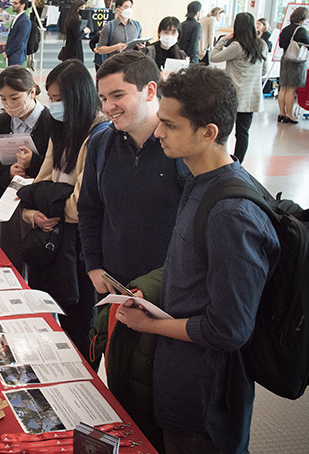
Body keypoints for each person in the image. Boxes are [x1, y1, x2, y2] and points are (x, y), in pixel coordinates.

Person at [118, 64, 279, 454]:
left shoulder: (231, 212)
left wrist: (150, 325)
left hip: (205, 399)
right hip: (179, 378)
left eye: (170, 126)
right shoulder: (197, 180)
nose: (158, 133)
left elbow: (228, 329)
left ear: (208, 133)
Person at [78, 52, 186, 449]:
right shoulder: (104, 142)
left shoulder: (181, 150)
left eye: (118, 95)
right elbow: (90, 208)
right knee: (115, 387)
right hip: (112, 290)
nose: (107, 107)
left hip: (168, 299)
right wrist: (94, 266)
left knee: (157, 401)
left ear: (150, 90)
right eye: (102, 98)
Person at [20, 60, 109, 361]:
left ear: (80, 96)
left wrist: (45, 198)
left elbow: (78, 208)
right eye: (51, 99)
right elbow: (35, 188)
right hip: (51, 238)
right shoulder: (59, 128)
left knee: (79, 324)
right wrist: (33, 212)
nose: (53, 106)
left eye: (59, 99)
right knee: (47, 316)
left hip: (79, 247)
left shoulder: (99, 135)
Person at [0, 66, 52, 276]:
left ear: (32, 92)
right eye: (3, 99)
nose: (9, 105)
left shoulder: (50, 123)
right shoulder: (1, 122)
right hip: (7, 201)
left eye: (15, 98)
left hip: (39, 206)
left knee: (39, 264)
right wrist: (8, 172)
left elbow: (58, 167)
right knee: (8, 260)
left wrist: (33, 164)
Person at [210, 12, 267, 162]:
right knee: (243, 133)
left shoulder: (237, 46)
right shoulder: (262, 45)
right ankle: (238, 163)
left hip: (234, 95)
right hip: (251, 97)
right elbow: (264, 70)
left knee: (224, 131)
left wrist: (223, 39)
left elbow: (214, 57)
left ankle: (221, 161)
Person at [278, 7, 309, 124]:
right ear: (303, 18)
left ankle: (282, 114)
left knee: (283, 87)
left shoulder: (285, 29)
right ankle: (289, 114)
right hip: (296, 62)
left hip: (285, 59)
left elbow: (281, 45)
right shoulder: (301, 30)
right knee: (291, 89)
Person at [95, 0, 144, 64]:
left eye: (131, 7)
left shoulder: (137, 25)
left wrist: (141, 47)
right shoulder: (109, 26)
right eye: (126, 7)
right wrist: (115, 47)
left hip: (132, 64)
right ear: (118, 9)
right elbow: (100, 49)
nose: (129, 9)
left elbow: (139, 43)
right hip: (114, 64)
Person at [0, 0, 31, 67]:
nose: (13, 5)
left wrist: (7, 52)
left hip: (17, 56)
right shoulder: (17, 18)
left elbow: (19, 41)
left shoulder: (25, 21)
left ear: (22, 5)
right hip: (12, 55)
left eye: (15, 3)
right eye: (13, 3)